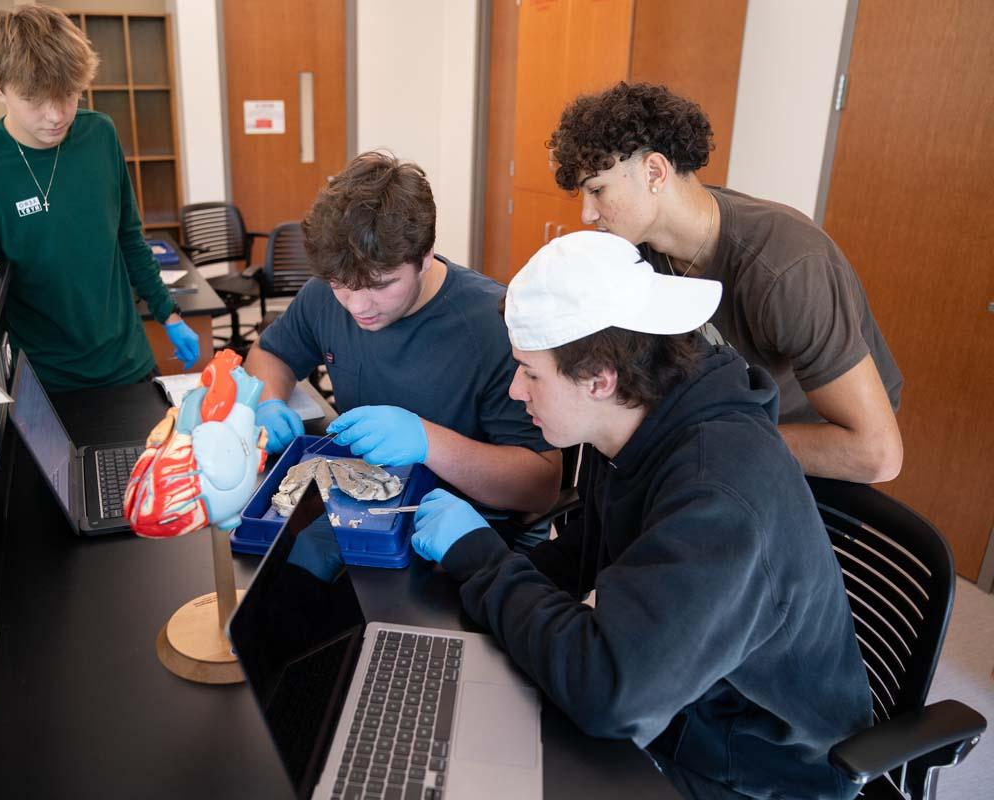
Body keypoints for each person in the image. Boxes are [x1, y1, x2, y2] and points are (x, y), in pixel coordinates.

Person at [411, 231, 872, 799]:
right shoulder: (634, 424)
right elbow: (585, 558)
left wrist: (483, 563)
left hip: (749, 769)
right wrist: (470, 570)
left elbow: (612, 695)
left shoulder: (717, 493)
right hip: (682, 709)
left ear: (600, 379)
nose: (515, 390)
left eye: (530, 373)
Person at [547, 81, 903, 484]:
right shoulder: (639, 248)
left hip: (812, 455)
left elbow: (875, 454)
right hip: (731, 426)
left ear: (654, 172)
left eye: (597, 190)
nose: (587, 214)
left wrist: (702, 439)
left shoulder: (786, 270)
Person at [243, 151, 561, 545]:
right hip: (366, 511)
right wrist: (270, 400)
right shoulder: (324, 296)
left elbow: (540, 488)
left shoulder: (494, 323)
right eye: (342, 284)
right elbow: (271, 355)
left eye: (381, 285)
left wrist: (428, 442)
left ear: (424, 257)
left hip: (464, 534)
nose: (358, 306)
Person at [0, 6, 200, 391]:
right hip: (49, 384)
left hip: (130, 362)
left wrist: (169, 314)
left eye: (68, 95)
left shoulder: (99, 135)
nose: (56, 115)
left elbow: (128, 237)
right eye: (35, 99)